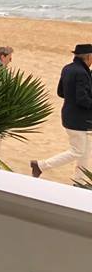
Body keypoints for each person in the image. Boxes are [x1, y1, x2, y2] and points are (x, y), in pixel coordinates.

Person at [31, 44, 92, 184]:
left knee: (85, 151)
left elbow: (60, 92)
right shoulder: (82, 73)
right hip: (79, 120)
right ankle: (41, 165)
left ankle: (80, 181)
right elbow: (82, 99)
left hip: (70, 116)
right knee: (77, 151)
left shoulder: (67, 68)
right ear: (89, 57)